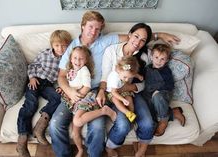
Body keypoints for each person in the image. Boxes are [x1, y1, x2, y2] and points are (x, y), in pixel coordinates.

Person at [49, 10, 180, 157]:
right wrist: (70, 91)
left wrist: (160, 35)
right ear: (82, 26)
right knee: (55, 124)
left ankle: (95, 154)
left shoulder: (106, 41)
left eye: (98, 28)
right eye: (90, 27)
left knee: (98, 127)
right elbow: (61, 76)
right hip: (73, 91)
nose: (94, 32)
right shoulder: (73, 47)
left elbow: (135, 41)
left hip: (97, 91)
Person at [101, 23, 185, 157]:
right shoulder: (111, 51)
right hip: (114, 93)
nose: (138, 42)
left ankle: (142, 148)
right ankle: (110, 147)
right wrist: (105, 91)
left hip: (134, 93)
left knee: (147, 123)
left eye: (143, 40)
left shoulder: (144, 56)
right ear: (129, 35)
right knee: (123, 125)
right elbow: (105, 77)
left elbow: (143, 83)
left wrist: (130, 87)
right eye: (136, 36)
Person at [16, 30, 72, 157]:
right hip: (36, 81)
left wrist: (61, 88)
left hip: (48, 85)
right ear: (52, 45)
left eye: (64, 45)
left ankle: (40, 126)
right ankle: (22, 141)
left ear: (68, 45)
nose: (60, 49)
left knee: (58, 98)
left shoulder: (68, 60)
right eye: (57, 45)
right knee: (31, 104)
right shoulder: (45, 54)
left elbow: (66, 77)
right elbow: (32, 65)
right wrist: (31, 77)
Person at [62, 46, 116, 157]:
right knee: (74, 132)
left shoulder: (84, 70)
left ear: (86, 60)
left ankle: (104, 111)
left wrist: (76, 97)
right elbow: (71, 84)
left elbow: (87, 87)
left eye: (81, 59)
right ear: (71, 59)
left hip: (85, 97)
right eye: (75, 58)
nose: (77, 61)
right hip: (75, 99)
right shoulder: (71, 71)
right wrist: (67, 91)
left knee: (77, 121)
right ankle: (80, 149)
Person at [142, 43, 181, 137]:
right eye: (156, 57)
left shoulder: (166, 71)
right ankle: (173, 113)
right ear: (151, 56)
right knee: (146, 104)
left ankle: (163, 120)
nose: (158, 61)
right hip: (149, 94)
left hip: (163, 93)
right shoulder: (147, 68)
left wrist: (158, 90)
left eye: (162, 59)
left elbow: (170, 85)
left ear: (167, 60)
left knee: (157, 97)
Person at [106, 56, 142, 123]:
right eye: (125, 77)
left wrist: (138, 76)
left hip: (121, 89)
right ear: (118, 70)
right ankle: (127, 112)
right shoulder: (115, 78)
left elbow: (132, 73)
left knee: (129, 98)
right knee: (116, 100)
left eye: (129, 77)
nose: (127, 80)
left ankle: (131, 114)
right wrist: (122, 99)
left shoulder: (125, 72)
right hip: (112, 92)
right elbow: (114, 92)